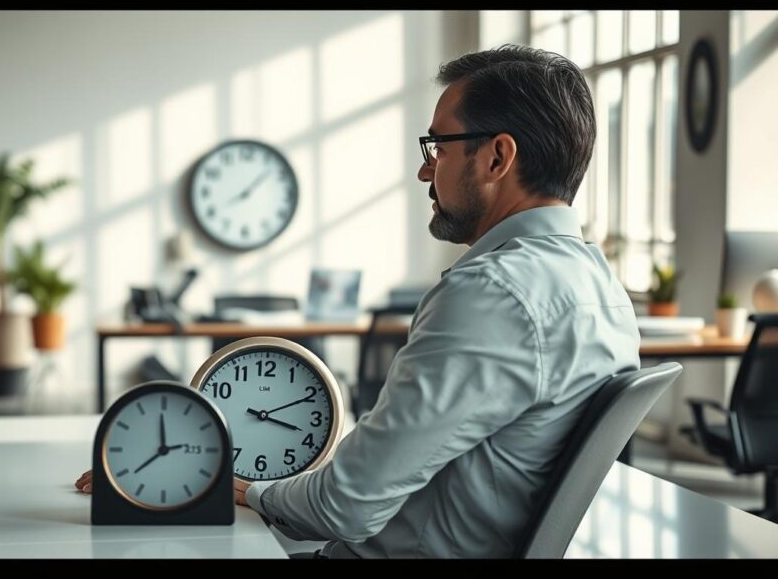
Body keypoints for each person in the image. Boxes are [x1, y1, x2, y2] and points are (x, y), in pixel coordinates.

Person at [76, 44, 640, 558]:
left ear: (497, 158)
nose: (425, 168)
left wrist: (222, 484)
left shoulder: (491, 292)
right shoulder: (602, 291)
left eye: (437, 146)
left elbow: (345, 507)